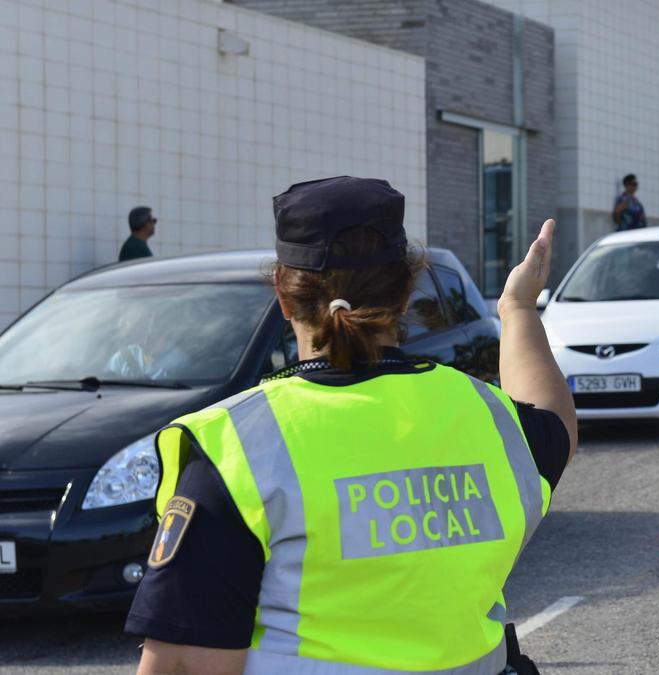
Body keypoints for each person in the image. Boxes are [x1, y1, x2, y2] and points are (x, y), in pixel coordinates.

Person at [125, 176, 576, 675]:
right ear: (408, 289)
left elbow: (183, 664)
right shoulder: (490, 419)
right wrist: (517, 310)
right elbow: (553, 423)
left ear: (282, 290)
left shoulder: (241, 446)